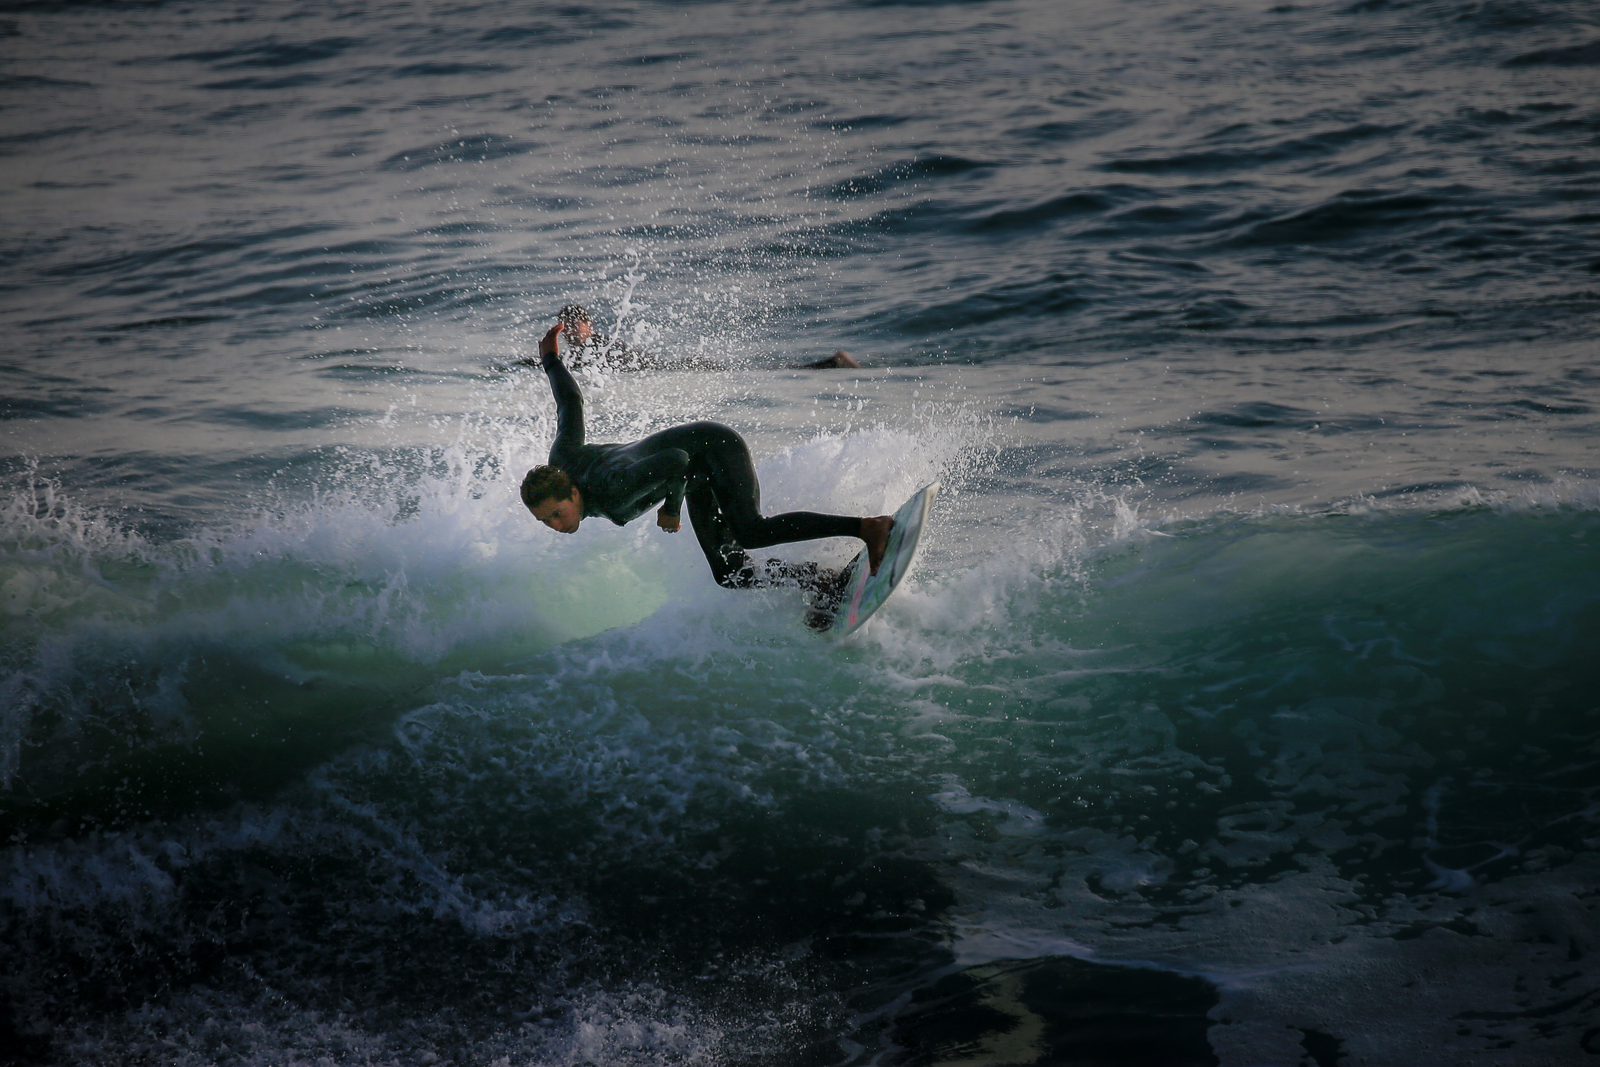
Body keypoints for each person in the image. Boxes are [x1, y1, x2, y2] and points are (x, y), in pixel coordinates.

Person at [521, 320, 893, 603]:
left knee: (750, 530)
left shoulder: (613, 490)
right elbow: (569, 403)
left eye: (556, 513)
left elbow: (676, 460)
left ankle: (867, 527)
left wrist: (672, 509)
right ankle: (820, 583)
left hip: (712, 446)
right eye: (546, 521)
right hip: (697, 473)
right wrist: (551, 359)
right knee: (731, 573)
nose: (554, 524)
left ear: (571, 491)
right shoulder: (563, 461)